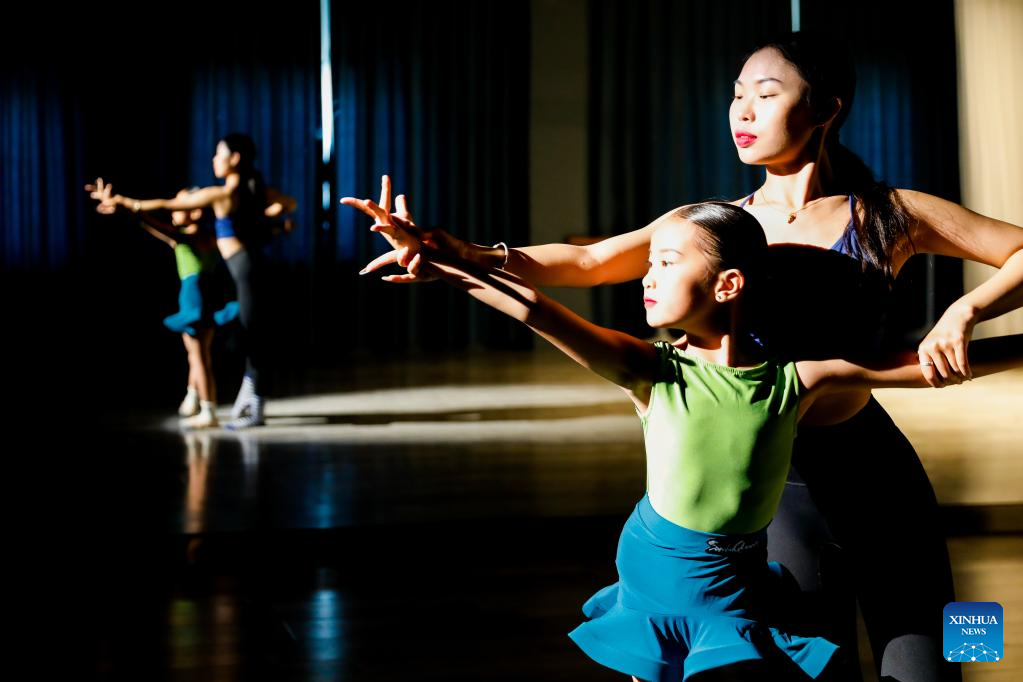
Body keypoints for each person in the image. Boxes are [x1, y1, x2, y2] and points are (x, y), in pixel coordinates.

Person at [352, 33, 1023, 680]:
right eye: (736, 94)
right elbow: (588, 262)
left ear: (826, 107)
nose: (742, 111)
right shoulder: (717, 228)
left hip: (879, 473)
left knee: (942, 658)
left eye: (765, 94)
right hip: (775, 491)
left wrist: (965, 311)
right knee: (817, 671)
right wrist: (469, 255)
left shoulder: (889, 212)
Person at [89, 133, 296, 430]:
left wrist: (124, 202)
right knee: (250, 336)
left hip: (244, 268)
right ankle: (248, 400)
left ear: (235, 159)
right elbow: (288, 204)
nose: (214, 159)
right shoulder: (253, 193)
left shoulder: (222, 194)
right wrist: (263, 216)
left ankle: (255, 406)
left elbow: (169, 204)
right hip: (246, 267)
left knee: (252, 338)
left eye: (219, 154)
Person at [85, 182, 239, 428]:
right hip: (209, 295)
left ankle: (208, 408)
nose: (174, 210)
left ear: (195, 211)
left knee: (198, 356)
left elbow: (151, 224)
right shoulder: (211, 236)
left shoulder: (185, 237)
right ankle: (193, 395)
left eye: (180, 205)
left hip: (194, 297)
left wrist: (125, 208)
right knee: (198, 353)